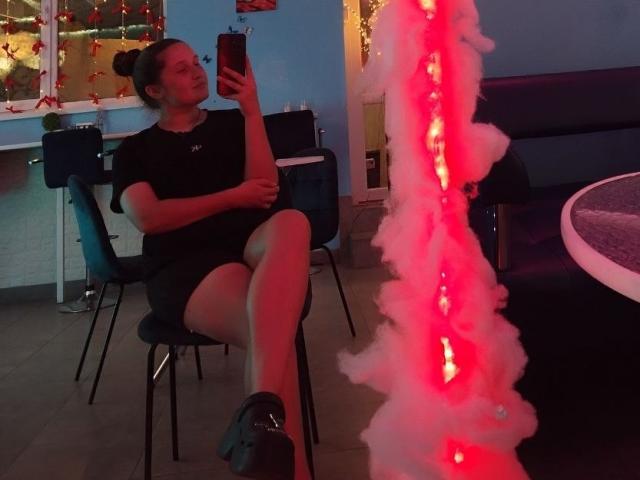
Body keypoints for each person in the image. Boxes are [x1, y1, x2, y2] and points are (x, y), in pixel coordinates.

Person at [110, 39, 311, 480]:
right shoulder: (135, 151)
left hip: (250, 245)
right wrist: (231, 197)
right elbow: (148, 217)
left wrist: (252, 110)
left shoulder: (233, 123)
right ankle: (288, 463)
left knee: (293, 222)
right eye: (181, 70)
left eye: (196, 63)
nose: (198, 71)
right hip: (184, 266)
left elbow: (265, 193)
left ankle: (258, 411)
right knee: (271, 334)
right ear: (155, 90)